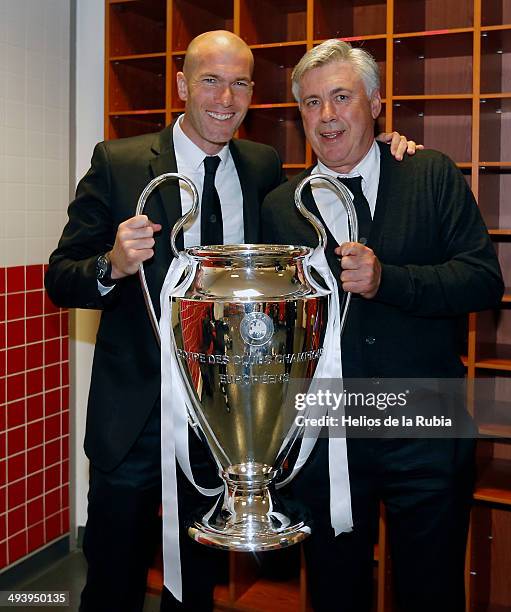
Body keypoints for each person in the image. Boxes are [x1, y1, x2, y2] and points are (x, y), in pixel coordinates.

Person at [45, 30, 419, 612]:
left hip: (222, 421)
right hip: (135, 416)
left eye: (241, 82)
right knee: (114, 576)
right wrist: (110, 264)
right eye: (211, 80)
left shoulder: (262, 165)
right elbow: (60, 277)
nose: (226, 98)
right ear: (181, 86)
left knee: (198, 582)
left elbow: (318, 201)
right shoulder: (118, 163)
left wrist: (385, 144)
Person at [261, 40, 504, 612]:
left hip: (425, 422)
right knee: (334, 589)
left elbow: (481, 281)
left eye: (341, 97)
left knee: (432, 587)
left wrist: (388, 281)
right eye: (312, 102)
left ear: (375, 103)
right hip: (324, 436)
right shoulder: (279, 205)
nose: (326, 116)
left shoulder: (429, 174)